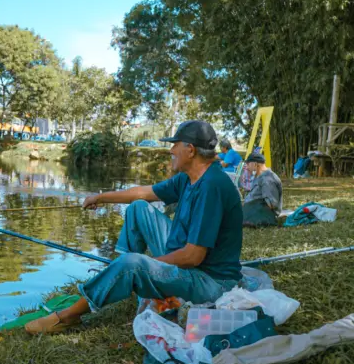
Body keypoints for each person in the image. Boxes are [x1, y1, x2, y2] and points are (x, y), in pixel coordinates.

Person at [25, 120, 243, 335]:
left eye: (175, 144)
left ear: (190, 150)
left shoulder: (212, 186)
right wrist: (101, 197)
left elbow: (192, 257)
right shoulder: (189, 179)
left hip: (211, 283)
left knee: (132, 264)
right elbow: (143, 193)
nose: (171, 150)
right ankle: (118, 275)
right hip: (189, 264)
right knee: (138, 209)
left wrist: (143, 266)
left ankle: (68, 316)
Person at [242, 153, 283, 227]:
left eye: (248, 164)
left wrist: (250, 208)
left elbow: (271, 205)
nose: (247, 167)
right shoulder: (259, 176)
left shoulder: (267, 179)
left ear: (255, 164)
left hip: (263, 214)